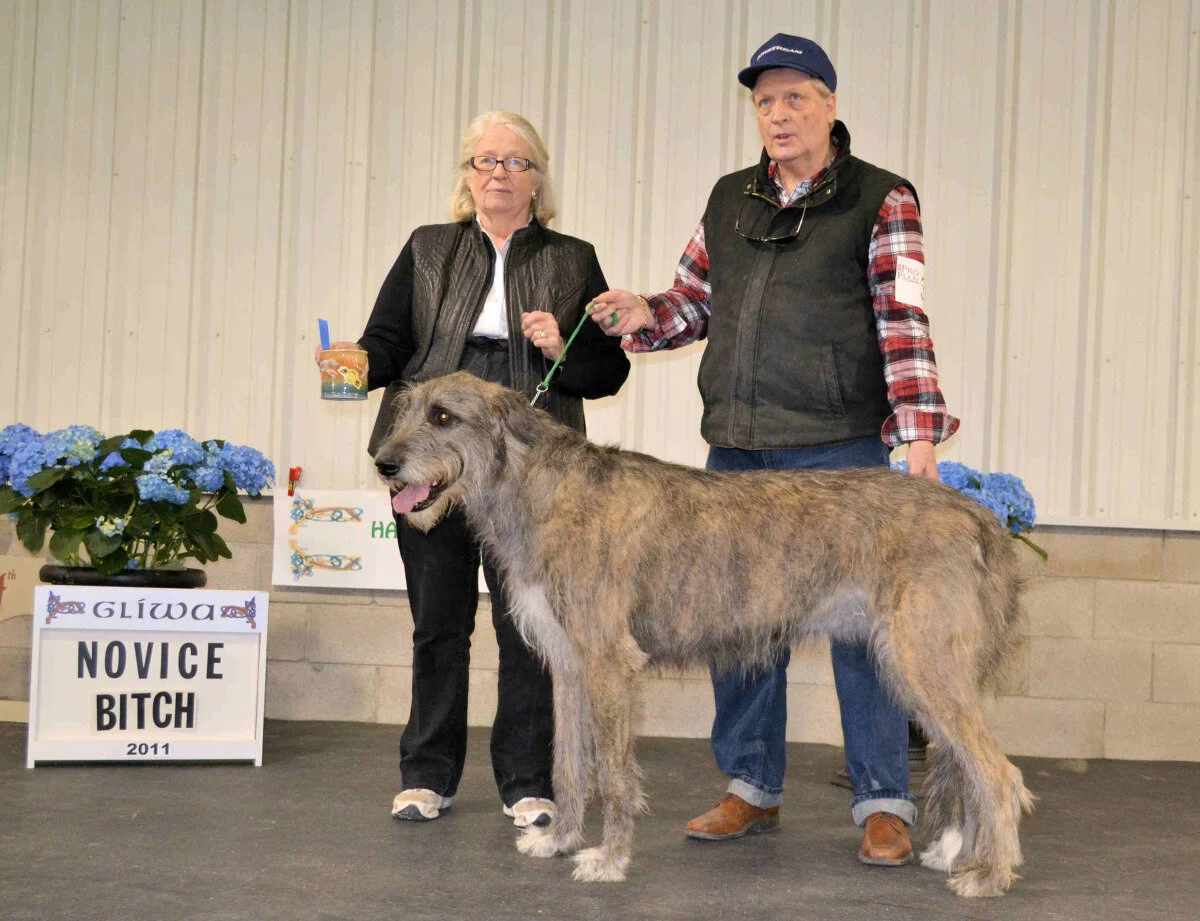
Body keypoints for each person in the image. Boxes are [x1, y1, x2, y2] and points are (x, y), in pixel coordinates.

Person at [592, 34, 959, 866]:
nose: (779, 114)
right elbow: (693, 303)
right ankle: (751, 786)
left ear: (830, 104)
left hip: (837, 453)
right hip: (737, 452)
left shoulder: (881, 197)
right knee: (735, 627)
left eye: (796, 97)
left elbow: (903, 319)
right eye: (765, 101)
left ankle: (884, 801)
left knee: (866, 631)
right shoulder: (731, 197)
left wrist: (919, 435)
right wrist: (643, 312)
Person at [326, 110, 629, 827]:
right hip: (431, 448)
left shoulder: (573, 258)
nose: (499, 173)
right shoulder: (428, 247)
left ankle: (528, 781)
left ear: (537, 179)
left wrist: (561, 344)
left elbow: (607, 371)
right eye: (485, 161)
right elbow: (387, 343)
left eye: (515, 162)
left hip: (531, 464)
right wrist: (354, 361)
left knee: (529, 629)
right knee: (438, 622)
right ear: (467, 175)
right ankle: (426, 774)